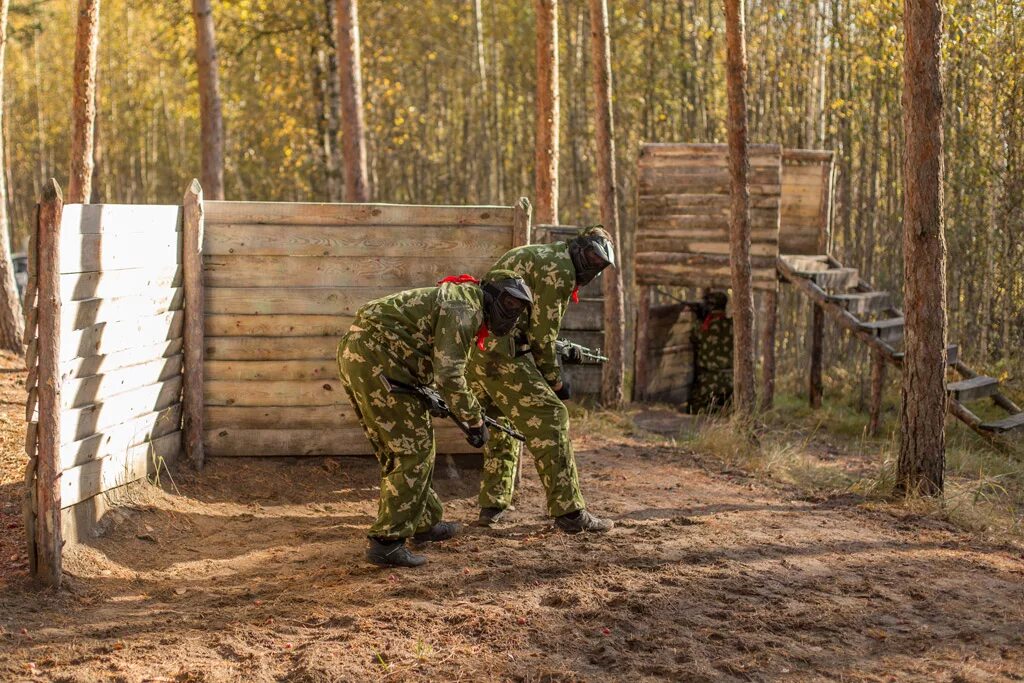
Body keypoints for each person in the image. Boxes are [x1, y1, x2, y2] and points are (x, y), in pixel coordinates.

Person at [337, 270, 533, 568]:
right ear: (491, 294)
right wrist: (474, 419)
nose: (513, 313)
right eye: (509, 303)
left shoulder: (463, 301)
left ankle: (424, 523)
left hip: (374, 358)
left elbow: (424, 351)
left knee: (404, 447)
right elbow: (450, 375)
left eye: (519, 308)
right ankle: (387, 542)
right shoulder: (465, 308)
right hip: (379, 361)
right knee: (413, 450)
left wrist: (431, 396)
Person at [468, 226, 616, 533]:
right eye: (590, 257)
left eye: (598, 262)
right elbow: (542, 338)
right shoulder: (559, 270)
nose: (591, 266)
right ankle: (570, 511)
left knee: (504, 423)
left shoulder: (541, 254)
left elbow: (528, 322)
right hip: (501, 352)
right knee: (552, 416)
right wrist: (556, 382)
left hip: (479, 348)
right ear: (578, 247)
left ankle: (492, 505)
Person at [686, 290, 733, 413]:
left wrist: (699, 317)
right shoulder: (732, 325)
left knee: (694, 410)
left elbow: (693, 338)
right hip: (731, 382)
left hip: (707, 383)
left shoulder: (703, 327)